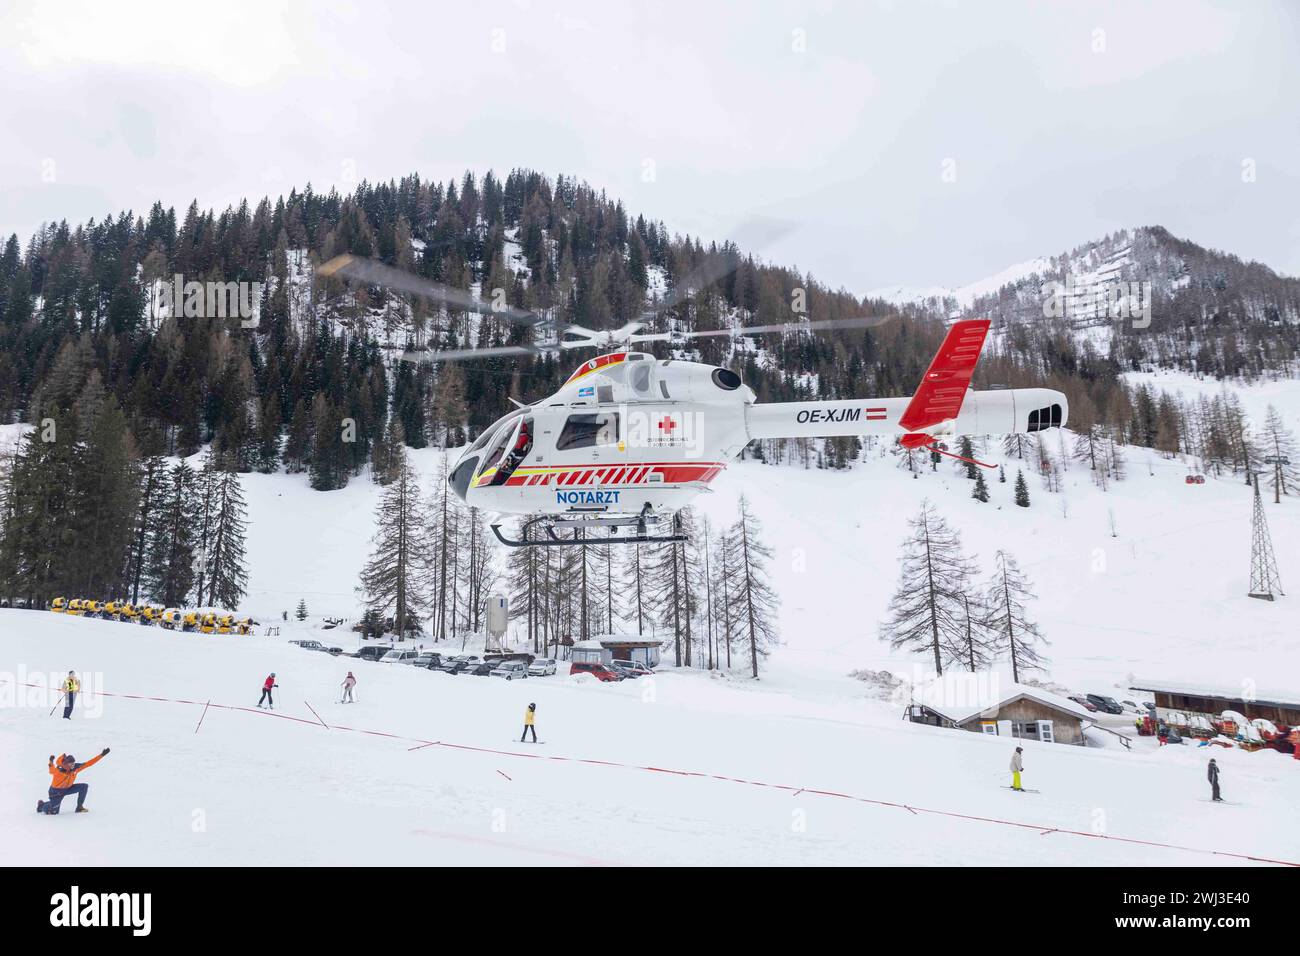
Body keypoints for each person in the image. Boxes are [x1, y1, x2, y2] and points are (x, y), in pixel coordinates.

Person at [38, 749, 109, 815]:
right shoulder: (59, 771)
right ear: (65, 764)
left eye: (73, 763)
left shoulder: (75, 768)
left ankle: (79, 807)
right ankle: (41, 805)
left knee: (84, 787)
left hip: (68, 788)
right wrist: (51, 762)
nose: (73, 765)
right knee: (53, 812)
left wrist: (101, 755)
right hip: (56, 792)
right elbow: (51, 771)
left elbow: (89, 763)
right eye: (70, 764)